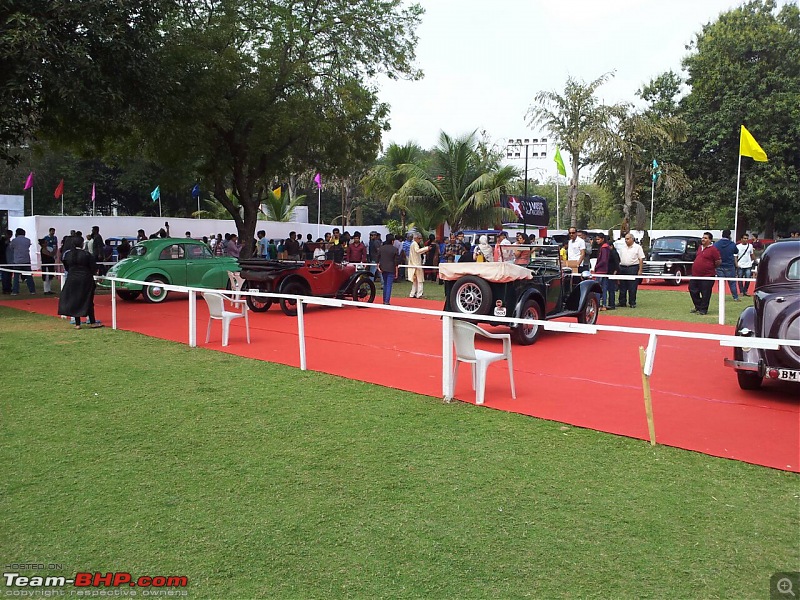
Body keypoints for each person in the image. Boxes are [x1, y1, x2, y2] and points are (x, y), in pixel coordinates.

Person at [58, 235, 103, 329]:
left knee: (74, 299)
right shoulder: (86, 254)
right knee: (88, 300)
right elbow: (93, 268)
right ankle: (92, 322)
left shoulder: (68, 255)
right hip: (85, 279)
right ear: (82, 244)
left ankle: (77, 324)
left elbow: (66, 267)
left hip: (72, 278)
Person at [689, 232, 722, 315]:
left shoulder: (713, 249)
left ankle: (703, 309)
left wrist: (709, 267)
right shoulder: (700, 248)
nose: (703, 239)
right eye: (703, 237)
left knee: (705, 293)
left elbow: (718, 261)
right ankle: (698, 306)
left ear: (710, 240)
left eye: (705, 238)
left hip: (707, 275)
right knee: (692, 289)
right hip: (695, 275)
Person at [617, 233, 644, 308]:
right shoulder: (623, 248)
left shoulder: (637, 247)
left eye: (628, 239)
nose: (626, 240)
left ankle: (632, 302)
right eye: (625, 239)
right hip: (622, 267)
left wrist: (640, 270)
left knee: (632, 286)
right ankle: (622, 302)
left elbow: (641, 259)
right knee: (622, 286)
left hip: (633, 268)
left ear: (632, 239)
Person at [714, 229, 739, 302]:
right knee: (732, 283)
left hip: (719, 266)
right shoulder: (732, 244)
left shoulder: (716, 244)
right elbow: (736, 251)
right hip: (729, 266)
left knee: (721, 283)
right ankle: (735, 297)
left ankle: (721, 297)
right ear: (729, 235)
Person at [593, 232, 616, 310]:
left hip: (601, 271)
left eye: (598, 239)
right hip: (604, 271)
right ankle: (603, 305)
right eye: (596, 239)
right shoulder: (606, 248)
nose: (597, 241)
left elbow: (603, 260)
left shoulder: (604, 248)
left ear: (603, 239)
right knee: (604, 288)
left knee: (598, 288)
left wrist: (596, 266)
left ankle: (599, 304)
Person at [10, 228, 35, 295]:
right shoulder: (27, 240)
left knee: (16, 277)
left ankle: (15, 291)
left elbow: (11, 247)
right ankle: (32, 290)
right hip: (26, 260)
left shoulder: (14, 240)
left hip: (17, 261)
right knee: (29, 276)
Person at [376, 234, 399, 304]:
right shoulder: (395, 249)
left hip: (383, 268)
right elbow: (396, 262)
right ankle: (387, 301)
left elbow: (377, 259)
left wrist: (378, 267)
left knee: (385, 284)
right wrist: (396, 272)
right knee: (389, 285)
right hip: (391, 268)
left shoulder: (381, 248)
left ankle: (384, 300)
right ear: (392, 241)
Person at [406, 232, 431, 298]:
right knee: (420, 280)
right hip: (416, 264)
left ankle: (412, 294)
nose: (420, 240)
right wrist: (426, 248)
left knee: (415, 281)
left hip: (414, 264)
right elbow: (418, 251)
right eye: (419, 239)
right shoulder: (415, 244)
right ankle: (419, 294)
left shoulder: (413, 244)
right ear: (416, 238)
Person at [1, 229, 12, 294]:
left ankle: (8, 287)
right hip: (4, 261)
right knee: (5, 275)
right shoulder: (2, 241)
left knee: (9, 275)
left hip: (9, 261)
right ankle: (5, 288)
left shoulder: (8, 242)